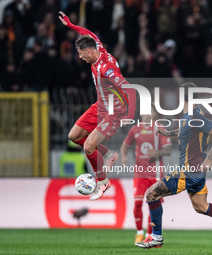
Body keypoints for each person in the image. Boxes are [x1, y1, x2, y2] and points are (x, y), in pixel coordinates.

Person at [135, 82, 212, 250]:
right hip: (197, 174)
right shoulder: (192, 115)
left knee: (151, 194)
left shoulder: (194, 116)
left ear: (180, 97)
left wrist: (209, 159)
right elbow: (184, 130)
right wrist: (168, 133)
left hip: (189, 171)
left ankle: (156, 236)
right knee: (202, 206)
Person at [59, 11, 137, 201]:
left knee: (87, 147)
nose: (79, 57)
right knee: (74, 136)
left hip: (113, 111)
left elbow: (130, 90)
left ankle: (102, 183)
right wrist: (70, 25)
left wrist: (130, 114)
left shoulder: (106, 69)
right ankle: (108, 155)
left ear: (88, 51)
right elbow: (88, 32)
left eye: (79, 53)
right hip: (100, 105)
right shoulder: (98, 47)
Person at [121, 103, 172, 243]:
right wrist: (124, 157)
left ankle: (150, 235)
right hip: (139, 174)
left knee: (153, 205)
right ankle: (139, 233)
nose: (148, 114)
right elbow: (125, 145)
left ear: (155, 113)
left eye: (151, 111)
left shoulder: (160, 128)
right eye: (146, 111)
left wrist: (157, 152)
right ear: (141, 114)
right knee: (138, 203)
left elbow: (168, 150)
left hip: (156, 175)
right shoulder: (134, 129)